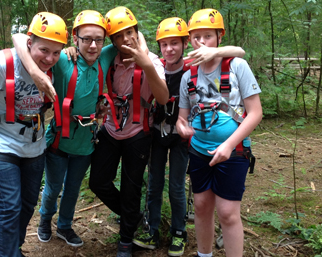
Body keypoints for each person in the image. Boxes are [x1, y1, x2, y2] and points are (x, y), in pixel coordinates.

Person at [132, 17, 245, 257]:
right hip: (159, 133)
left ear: (185, 44)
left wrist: (214, 50)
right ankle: (152, 229)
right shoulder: (156, 66)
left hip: (184, 138)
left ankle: (179, 232)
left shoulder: (193, 65)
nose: (169, 49)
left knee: (176, 186)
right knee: (154, 184)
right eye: (164, 44)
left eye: (175, 43)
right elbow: (144, 100)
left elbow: (238, 52)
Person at [11, 10, 119, 247]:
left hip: (85, 141)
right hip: (59, 139)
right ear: (75, 39)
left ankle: (65, 226)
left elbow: (130, 41)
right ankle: (44, 221)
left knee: (72, 189)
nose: (92, 45)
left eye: (98, 40)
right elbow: (19, 38)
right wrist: (34, 70)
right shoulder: (61, 60)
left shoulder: (105, 57)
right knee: (52, 187)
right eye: (86, 39)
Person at [0, 12, 67, 257]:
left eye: (56, 52)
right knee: (10, 206)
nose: (50, 58)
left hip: (34, 144)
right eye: (44, 50)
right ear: (30, 43)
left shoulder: (57, 63)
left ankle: (13, 247)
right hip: (1, 143)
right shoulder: (0, 64)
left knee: (28, 203)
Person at [175, 9, 262, 257]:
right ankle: (204, 254)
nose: (201, 43)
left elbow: (255, 113)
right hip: (200, 150)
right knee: (201, 206)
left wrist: (228, 145)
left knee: (227, 212)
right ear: (189, 40)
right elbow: (182, 117)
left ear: (219, 38)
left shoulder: (237, 67)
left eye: (208, 37)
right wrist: (182, 127)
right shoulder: (187, 76)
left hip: (234, 151)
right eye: (196, 37)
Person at [87, 6, 169, 257]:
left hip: (138, 133)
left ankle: (125, 238)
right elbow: (86, 60)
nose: (126, 39)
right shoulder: (109, 59)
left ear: (137, 32)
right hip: (111, 129)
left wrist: (146, 64)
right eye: (119, 36)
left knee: (132, 187)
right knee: (98, 181)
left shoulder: (152, 61)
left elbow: (163, 97)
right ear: (112, 41)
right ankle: (132, 215)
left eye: (130, 32)